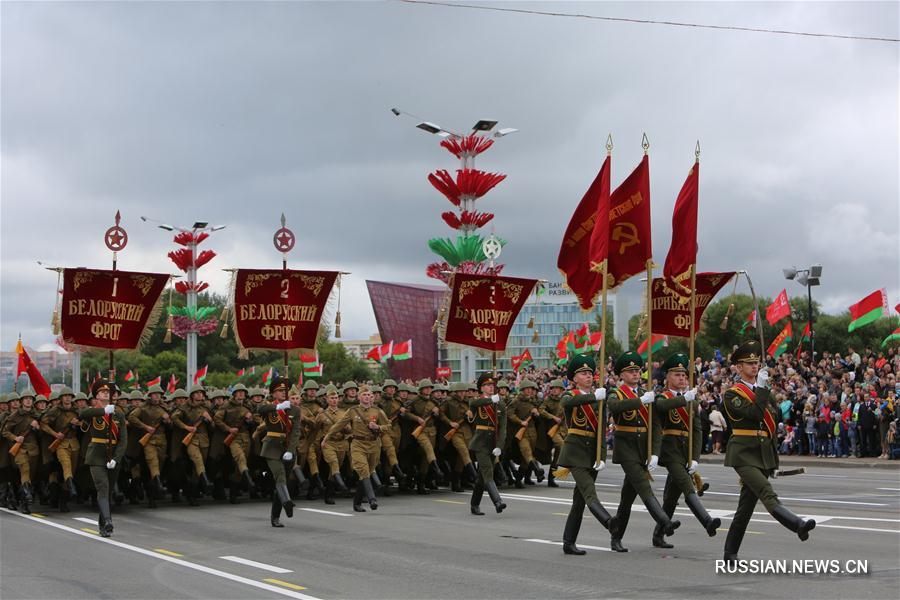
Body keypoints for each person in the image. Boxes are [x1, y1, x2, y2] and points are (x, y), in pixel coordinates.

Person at [722, 340, 815, 562]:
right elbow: (755, 415)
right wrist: (762, 390)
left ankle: (730, 553)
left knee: (745, 508)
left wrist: (773, 461)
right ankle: (797, 525)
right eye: (749, 363)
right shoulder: (732, 394)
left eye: (756, 362)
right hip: (743, 454)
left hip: (762, 453)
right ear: (738, 367)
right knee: (766, 491)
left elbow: (772, 422)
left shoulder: (763, 391)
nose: (754, 366)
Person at [607, 351, 681, 552]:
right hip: (626, 448)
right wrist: (640, 401)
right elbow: (614, 407)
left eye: (637, 370)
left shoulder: (646, 394)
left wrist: (655, 453)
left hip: (642, 449)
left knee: (627, 498)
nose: (635, 374)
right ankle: (665, 522)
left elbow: (655, 425)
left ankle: (616, 537)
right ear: (621, 375)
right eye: (630, 371)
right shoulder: (617, 393)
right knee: (643, 485)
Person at [652, 353, 720, 548]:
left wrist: (695, 458)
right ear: (667, 377)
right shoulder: (663, 396)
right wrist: (684, 399)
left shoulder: (692, 400)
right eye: (677, 374)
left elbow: (697, 430)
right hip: (670, 449)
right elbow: (662, 406)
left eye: (684, 375)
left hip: (685, 451)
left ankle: (658, 534)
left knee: (672, 496)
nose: (682, 378)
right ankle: (707, 521)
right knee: (686, 484)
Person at [558, 354, 616, 555]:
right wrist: (595, 397)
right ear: (574, 378)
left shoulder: (598, 398)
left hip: (591, 453)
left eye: (590, 373)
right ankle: (609, 522)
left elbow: (601, 431)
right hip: (575, 453)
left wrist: (602, 457)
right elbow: (567, 404)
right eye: (583, 373)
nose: (588, 376)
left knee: (579, 500)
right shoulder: (570, 394)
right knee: (589, 491)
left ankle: (568, 541)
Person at [323, 384, 390, 512]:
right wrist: (327, 436)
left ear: (372, 397)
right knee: (363, 470)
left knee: (367, 473)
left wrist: (378, 427)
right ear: (359, 397)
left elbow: (388, 426)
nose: (367, 397)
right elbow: (339, 424)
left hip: (374, 445)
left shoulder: (377, 411)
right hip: (358, 444)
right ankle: (372, 499)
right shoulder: (352, 411)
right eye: (364, 395)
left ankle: (357, 502)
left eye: (369, 395)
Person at [78, 380, 127, 537]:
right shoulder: (93, 411)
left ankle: (103, 524)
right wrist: (104, 411)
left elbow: (123, 440)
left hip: (112, 456)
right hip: (96, 456)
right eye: (102, 391)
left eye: (108, 391)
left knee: (108, 490)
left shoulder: (119, 414)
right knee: (103, 487)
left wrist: (116, 458)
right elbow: (82, 415)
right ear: (96, 396)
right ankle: (108, 521)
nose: (106, 393)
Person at [258, 377, 302, 527]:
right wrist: (278, 407)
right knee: (280, 475)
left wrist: (290, 450)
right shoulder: (269, 407)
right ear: (273, 393)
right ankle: (287, 502)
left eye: (286, 390)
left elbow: (296, 432)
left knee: (282, 482)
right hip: (272, 447)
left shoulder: (295, 410)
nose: (284, 393)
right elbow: (260, 410)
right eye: (280, 390)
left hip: (287, 448)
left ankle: (275, 516)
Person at [468, 372, 507, 515]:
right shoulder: (477, 401)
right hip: (481, 442)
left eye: (492, 385)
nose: (491, 387)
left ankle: (474, 504)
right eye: (487, 385)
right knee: (488, 471)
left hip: (493, 442)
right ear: (481, 388)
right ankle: (498, 501)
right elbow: (473, 404)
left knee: (482, 476)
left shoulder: (500, 403)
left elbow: (503, 427)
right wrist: (491, 400)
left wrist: (499, 446)